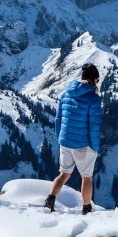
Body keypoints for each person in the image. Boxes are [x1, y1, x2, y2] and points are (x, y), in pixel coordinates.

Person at [44, 63, 102, 215]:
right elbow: (94, 126)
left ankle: (50, 199)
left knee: (64, 174)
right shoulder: (93, 98)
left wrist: (61, 138)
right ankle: (87, 208)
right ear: (94, 80)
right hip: (83, 144)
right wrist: (95, 146)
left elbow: (58, 119)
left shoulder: (66, 93)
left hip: (66, 142)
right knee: (87, 177)